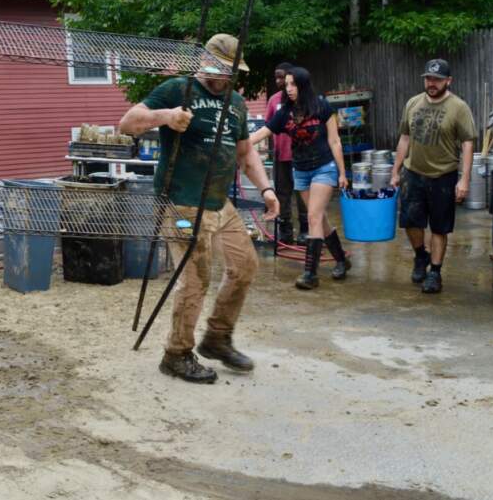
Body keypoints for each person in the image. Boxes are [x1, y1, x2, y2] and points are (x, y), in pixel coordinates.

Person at [119, 33, 279, 384]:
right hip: (182, 202)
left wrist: (266, 188)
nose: (226, 77)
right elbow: (127, 122)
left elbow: (245, 151)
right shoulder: (179, 89)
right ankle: (176, 354)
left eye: (231, 71)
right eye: (221, 69)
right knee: (195, 278)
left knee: (245, 266)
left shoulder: (236, 102)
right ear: (206, 62)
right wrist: (166, 116)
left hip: (220, 203)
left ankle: (217, 338)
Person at [250, 67, 350, 290]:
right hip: (301, 170)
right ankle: (342, 259)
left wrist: (342, 173)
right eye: (286, 85)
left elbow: (335, 141)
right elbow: (263, 133)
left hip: (324, 167)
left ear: (303, 84)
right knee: (320, 220)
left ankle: (310, 274)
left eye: (293, 84)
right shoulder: (285, 112)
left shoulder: (322, 107)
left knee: (313, 216)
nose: (289, 89)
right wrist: (239, 145)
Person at [389, 58, 475, 295]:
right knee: (410, 222)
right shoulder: (413, 103)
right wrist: (396, 170)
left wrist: (464, 178)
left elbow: (468, 143)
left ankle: (435, 272)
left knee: (439, 228)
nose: (432, 83)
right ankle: (420, 256)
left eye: (437, 79)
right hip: (413, 173)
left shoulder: (459, 107)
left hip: (443, 176)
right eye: (428, 78)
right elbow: (404, 138)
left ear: (449, 80)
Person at [265, 62, 309, 244]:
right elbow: (268, 126)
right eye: (276, 77)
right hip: (280, 155)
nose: (278, 81)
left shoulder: (304, 100)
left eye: (282, 77)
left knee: (302, 192)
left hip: (301, 155)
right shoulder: (273, 100)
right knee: (282, 192)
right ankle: (285, 231)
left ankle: (305, 230)